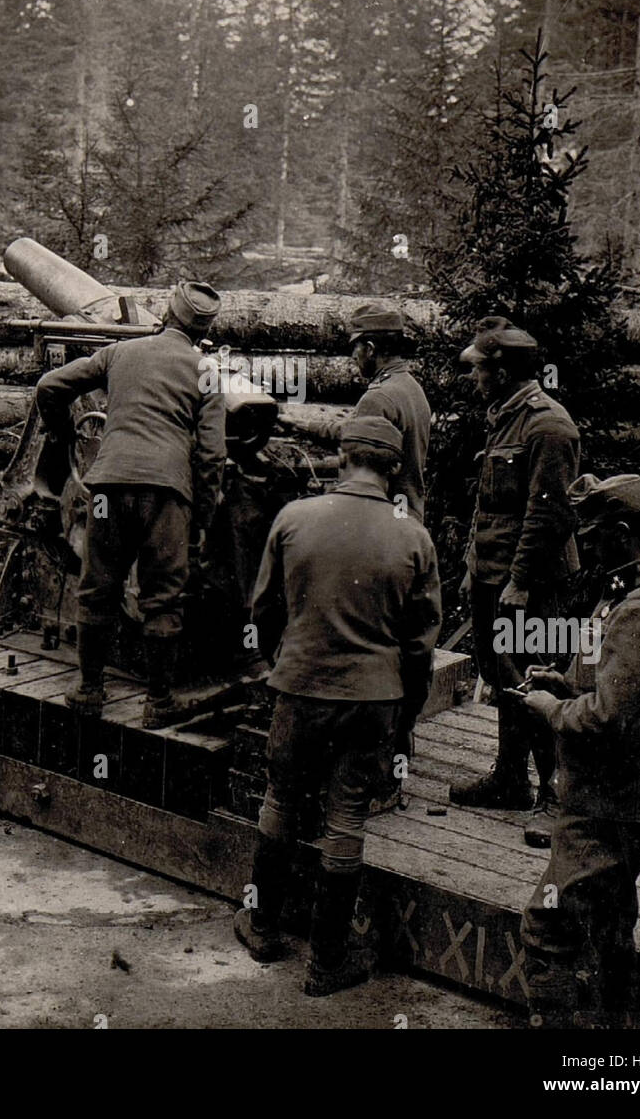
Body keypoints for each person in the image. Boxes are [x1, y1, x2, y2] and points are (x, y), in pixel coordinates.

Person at [233, 416, 441, 996]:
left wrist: (276, 664)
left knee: (280, 799)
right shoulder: (412, 535)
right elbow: (421, 645)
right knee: (346, 816)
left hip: (300, 689)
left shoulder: (296, 517)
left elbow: (263, 610)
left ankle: (263, 926)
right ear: (393, 469)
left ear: (342, 456)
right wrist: (405, 716)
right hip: (374, 699)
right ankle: (327, 962)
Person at [517, 474, 640, 1028]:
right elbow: (619, 690)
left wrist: (549, 710)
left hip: (607, 805)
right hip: (631, 800)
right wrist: (565, 683)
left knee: (546, 926)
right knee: (609, 921)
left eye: (596, 537)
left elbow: (606, 721)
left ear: (622, 533)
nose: (589, 550)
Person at [35, 281, 226, 728]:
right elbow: (212, 455)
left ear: (167, 314)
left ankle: (89, 690)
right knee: (163, 599)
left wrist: (62, 433)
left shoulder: (121, 354)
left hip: (108, 488)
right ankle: (158, 701)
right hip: (166, 495)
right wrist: (200, 516)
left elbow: (49, 386)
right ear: (201, 331)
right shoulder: (207, 372)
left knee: (98, 587)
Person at [449, 316, 580, 850]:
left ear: (501, 371)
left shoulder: (548, 425)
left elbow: (546, 515)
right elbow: (491, 504)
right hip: (494, 574)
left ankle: (556, 796)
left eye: (479, 368)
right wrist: (471, 566)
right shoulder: (502, 417)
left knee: (538, 682)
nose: (473, 377)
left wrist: (521, 582)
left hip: (531, 582)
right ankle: (509, 778)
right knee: (501, 676)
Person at [283, 301, 431, 520]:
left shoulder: (378, 397)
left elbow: (350, 438)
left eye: (356, 347)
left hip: (381, 516)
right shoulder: (410, 386)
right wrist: (302, 424)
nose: (353, 356)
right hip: (406, 512)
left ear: (370, 349)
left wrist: (299, 426)